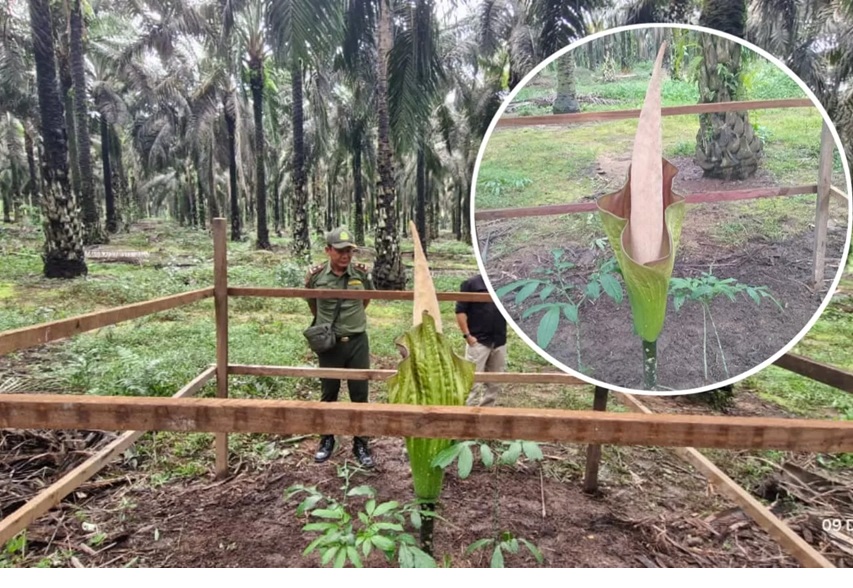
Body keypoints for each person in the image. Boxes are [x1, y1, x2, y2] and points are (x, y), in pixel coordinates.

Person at [304, 226, 375, 468]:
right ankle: (327, 439)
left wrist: (351, 322)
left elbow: (366, 300)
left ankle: (361, 442)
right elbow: (313, 304)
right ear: (328, 250)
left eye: (350, 251)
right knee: (329, 393)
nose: (346, 256)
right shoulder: (316, 276)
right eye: (340, 251)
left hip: (357, 342)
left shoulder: (361, 274)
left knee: (359, 395)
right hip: (330, 345)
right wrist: (328, 326)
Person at [455, 274, 507, 406]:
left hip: (499, 340)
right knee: (472, 381)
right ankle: (467, 413)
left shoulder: (502, 282)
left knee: (495, 381)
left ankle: (487, 412)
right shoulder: (471, 283)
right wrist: (468, 336)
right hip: (478, 340)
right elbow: (460, 311)